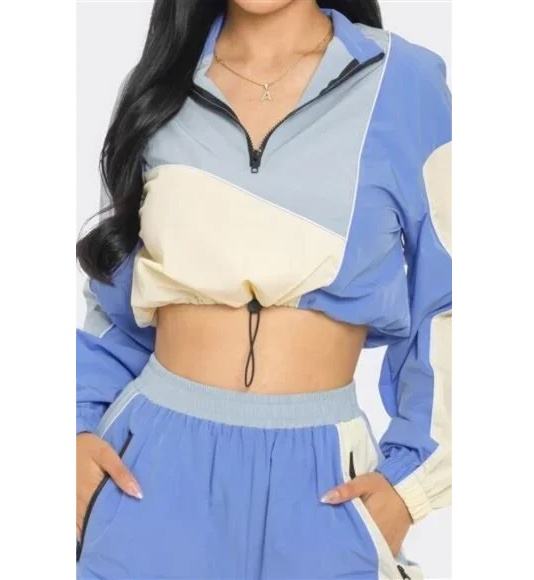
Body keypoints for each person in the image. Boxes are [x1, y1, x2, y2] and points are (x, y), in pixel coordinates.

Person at [76, 1, 451, 578]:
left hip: (325, 487)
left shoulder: (404, 84)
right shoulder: (163, 85)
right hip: (149, 476)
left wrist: (408, 491)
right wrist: (76, 432)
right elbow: (116, 305)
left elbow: (450, 302)